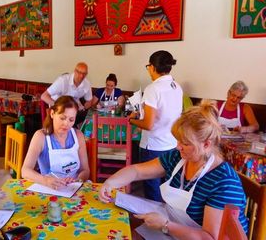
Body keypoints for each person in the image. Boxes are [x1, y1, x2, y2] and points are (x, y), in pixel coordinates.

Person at [99, 102, 248, 239]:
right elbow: (137, 171)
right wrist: (110, 183)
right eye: (177, 140)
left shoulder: (223, 182)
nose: (178, 147)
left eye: (185, 143)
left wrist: (166, 225)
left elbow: (209, 237)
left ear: (206, 145)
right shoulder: (179, 157)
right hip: (176, 228)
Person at [128, 50, 183, 202]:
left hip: (153, 147)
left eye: (148, 67)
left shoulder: (153, 89)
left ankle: (154, 223)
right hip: (172, 145)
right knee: (167, 188)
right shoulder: (177, 87)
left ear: (152, 67)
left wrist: (132, 120)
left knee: (152, 190)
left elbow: (148, 124)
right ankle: (166, 222)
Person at [22, 96, 90, 189]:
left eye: (71, 120)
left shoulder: (78, 135)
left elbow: (85, 170)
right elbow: (25, 171)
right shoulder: (41, 136)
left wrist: (77, 181)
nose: (66, 124)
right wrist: (45, 180)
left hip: (74, 188)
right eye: (62, 118)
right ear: (52, 113)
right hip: (50, 188)